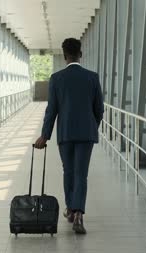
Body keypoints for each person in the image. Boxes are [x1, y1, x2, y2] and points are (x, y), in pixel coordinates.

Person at [34, 38, 104, 234]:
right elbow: (99, 109)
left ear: (65, 56)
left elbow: (52, 110)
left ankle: (70, 209)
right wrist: (91, 126)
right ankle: (79, 215)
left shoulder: (57, 78)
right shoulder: (92, 77)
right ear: (80, 54)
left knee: (69, 171)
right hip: (86, 134)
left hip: (65, 133)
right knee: (82, 174)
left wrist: (44, 136)